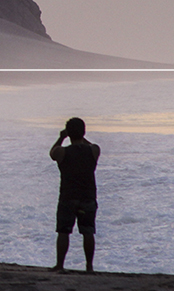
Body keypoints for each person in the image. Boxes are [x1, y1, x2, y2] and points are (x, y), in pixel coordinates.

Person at [49, 117, 101, 273]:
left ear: (69, 133)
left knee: (64, 231)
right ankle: (89, 267)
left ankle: (60, 265)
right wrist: (78, 136)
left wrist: (62, 137)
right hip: (88, 197)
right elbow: (89, 145)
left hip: (68, 196)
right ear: (84, 132)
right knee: (88, 232)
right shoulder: (93, 150)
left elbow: (52, 153)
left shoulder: (62, 152)